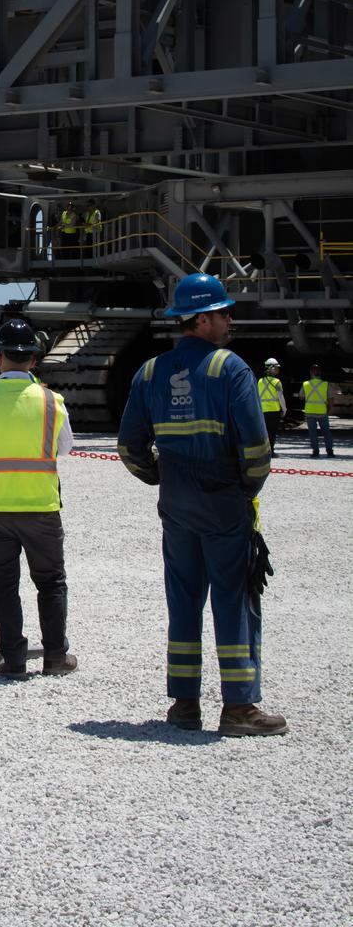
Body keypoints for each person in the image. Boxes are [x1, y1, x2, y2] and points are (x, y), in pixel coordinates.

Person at [117, 273, 287, 737]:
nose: (231, 319)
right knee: (234, 599)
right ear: (204, 318)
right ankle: (238, 708)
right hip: (223, 502)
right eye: (225, 313)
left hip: (176, 505)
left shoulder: (150, 372)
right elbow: (257, 448)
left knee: (184, 602)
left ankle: (185, 704)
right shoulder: (230, 369)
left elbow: (129, 447)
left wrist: (162, 477)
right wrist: (245, 492)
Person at [0, 318, 77, 679]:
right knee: (50, 582)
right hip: (41, 507)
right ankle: (55, 657)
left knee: (4, 584)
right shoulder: (51, 401)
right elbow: (66, 448)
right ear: (34, 360)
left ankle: (13, 661)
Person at [299, 364, 334, 458]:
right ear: (320, 373)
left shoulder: (305, 384)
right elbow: (331, 399)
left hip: (310, 412)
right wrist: (330, 410)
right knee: (326, 432)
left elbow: (301, 396)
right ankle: (329, 451)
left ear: (311, 373)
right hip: (322, 412)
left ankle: (315, 451)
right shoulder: (326, 384)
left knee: (313, 433)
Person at [257, 358, 286, 456]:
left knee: (264, 433)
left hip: (263, 411)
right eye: (276, 368)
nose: (277, 370)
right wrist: (284, 409)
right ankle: (271, 451)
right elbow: (281, 397)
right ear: (271, 368)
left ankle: (262, 452)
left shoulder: (260, 381)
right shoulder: (277, 382)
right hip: (274, 411)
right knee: (272, 432)